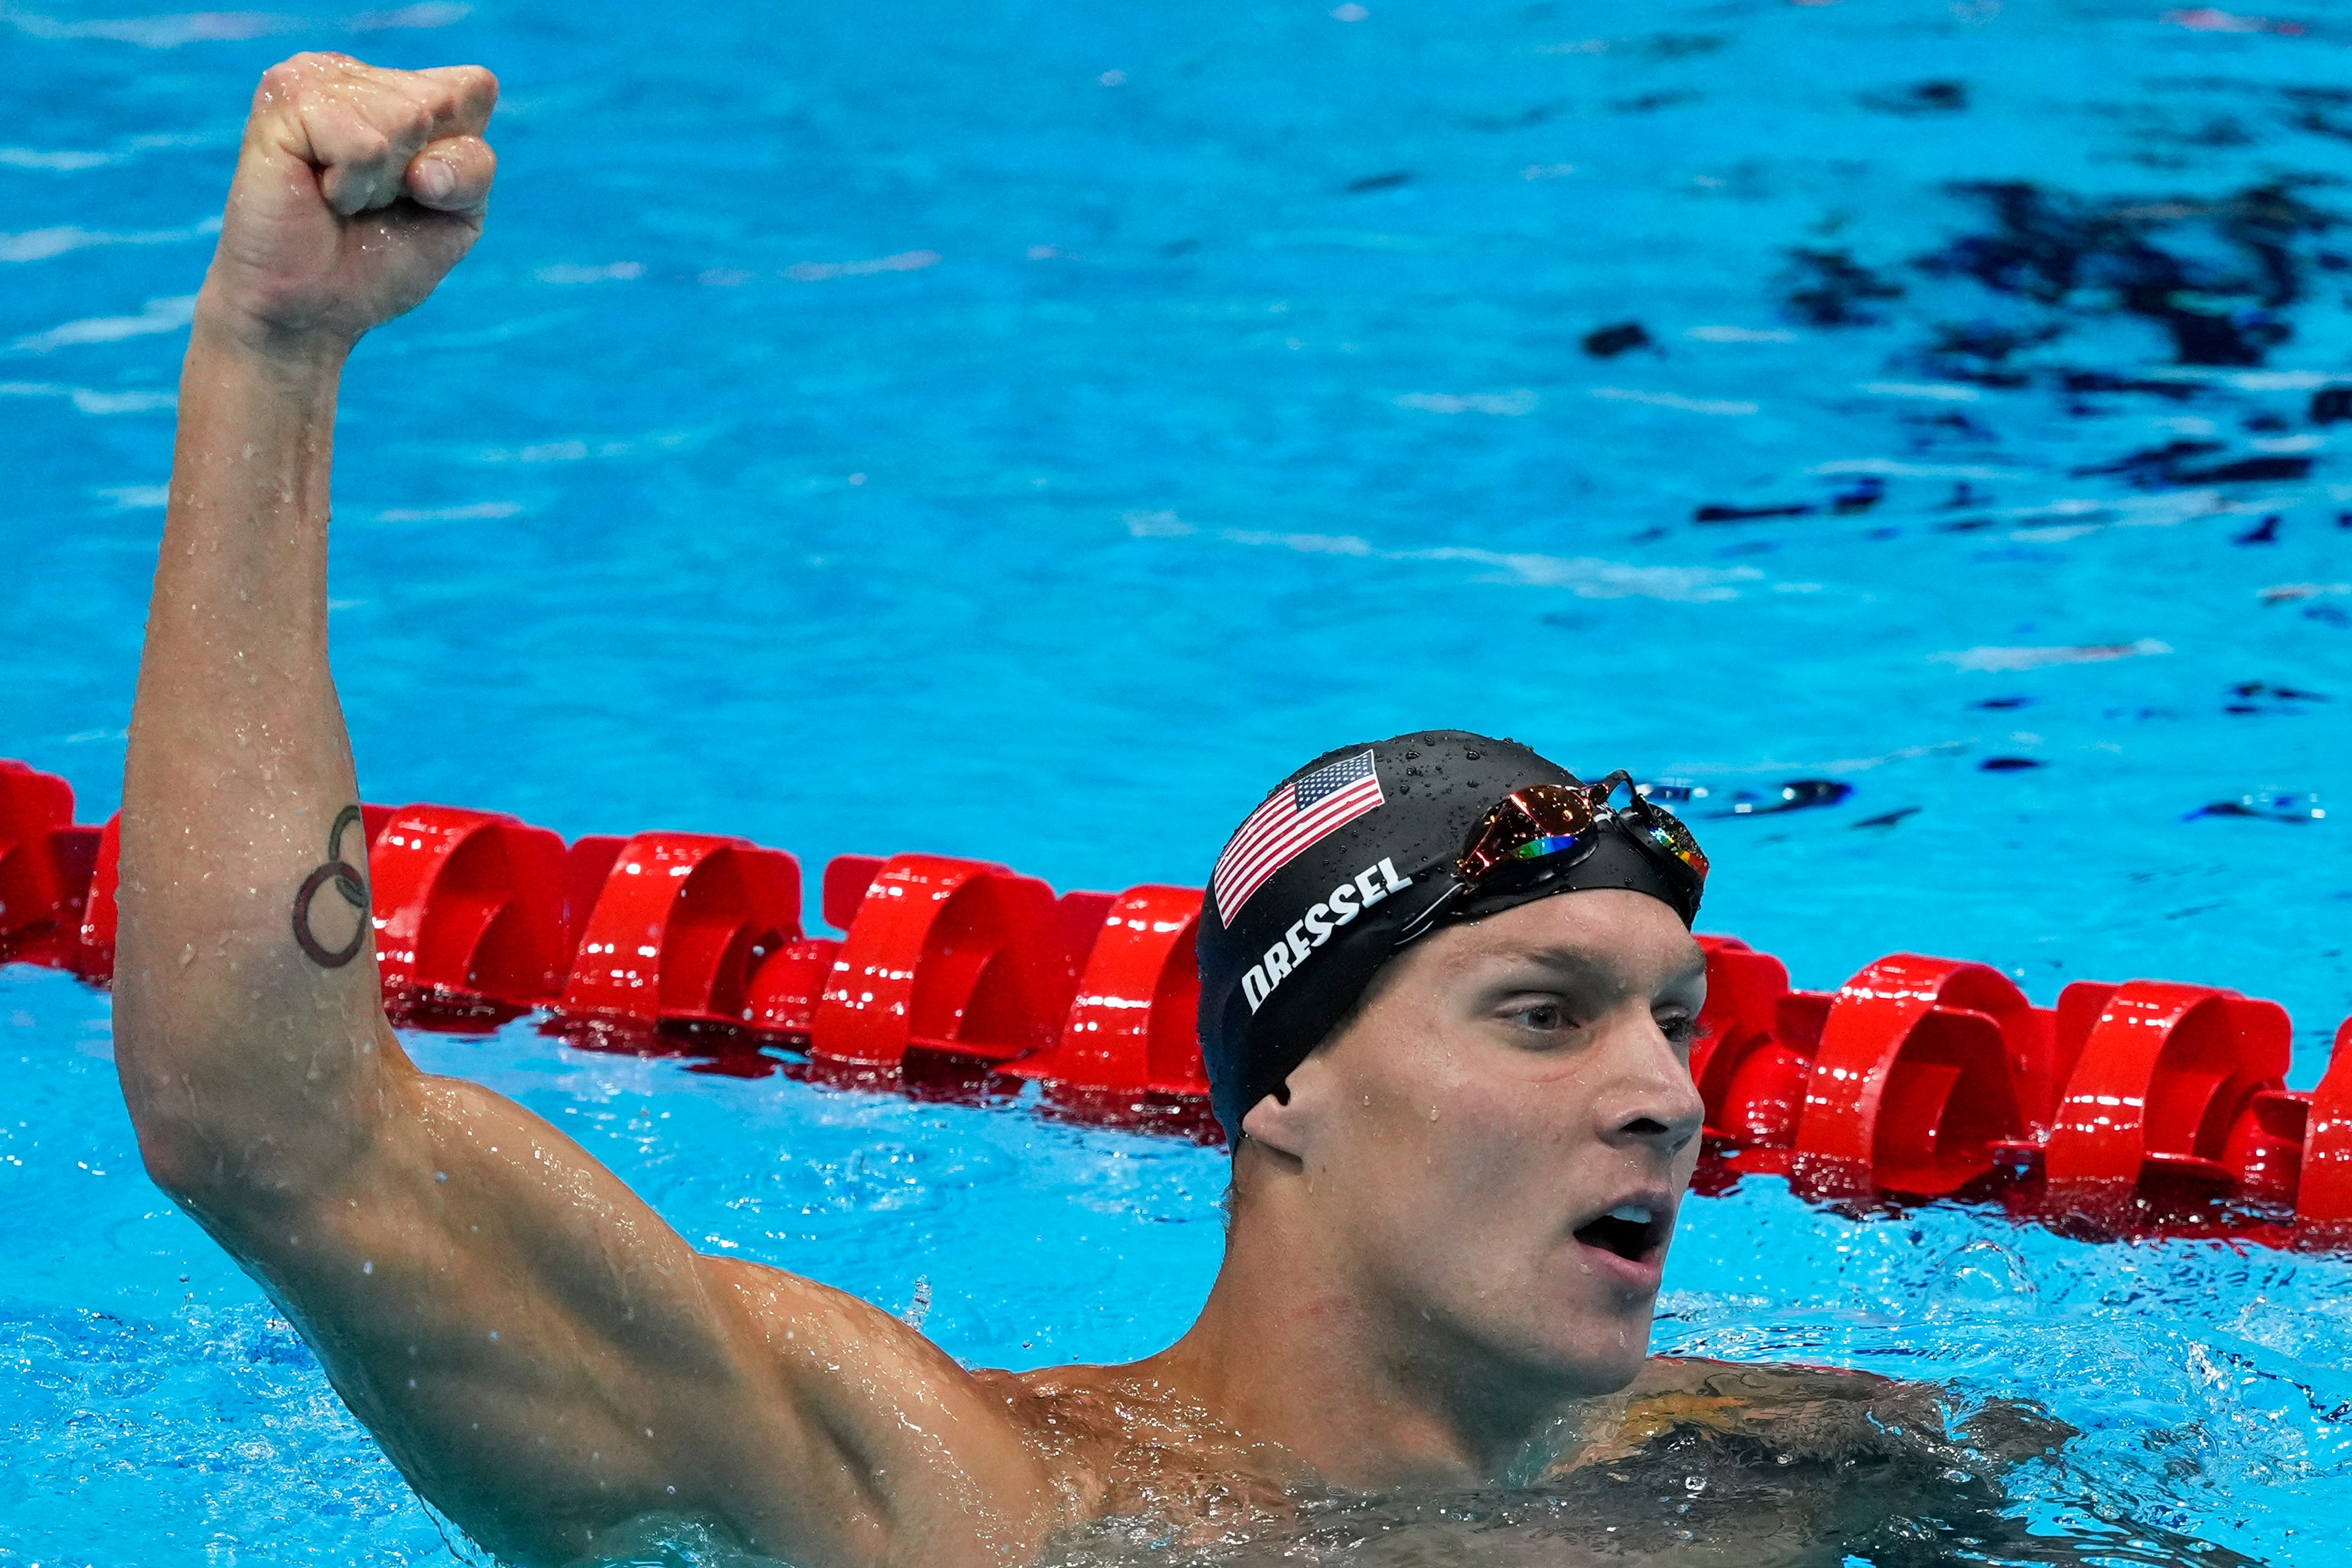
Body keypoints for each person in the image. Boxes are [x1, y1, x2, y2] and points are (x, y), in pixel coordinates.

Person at [115, 52, 2058, 1568]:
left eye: (1671, 1020)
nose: (1662, 1093)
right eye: (1543, 1012)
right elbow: (281, 1139)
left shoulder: (1783, 1474)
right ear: (1282, 1090)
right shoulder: (959, 1504)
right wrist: (272, 356)